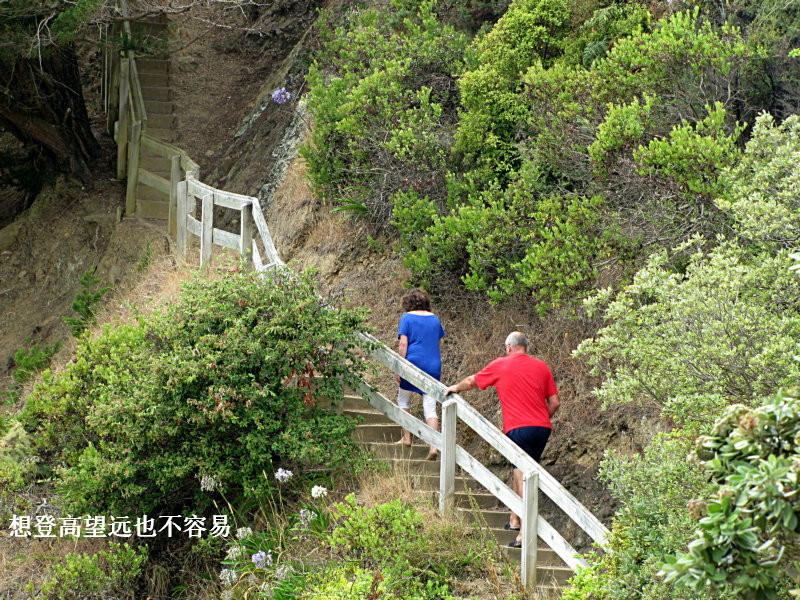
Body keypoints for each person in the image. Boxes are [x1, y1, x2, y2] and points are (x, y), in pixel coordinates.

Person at [445, 331, 559, 547]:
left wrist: (454, 388)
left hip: (518, 428)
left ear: (508, 348)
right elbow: (554, 402)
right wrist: (541, 418)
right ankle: (515, 518)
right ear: (526, 347)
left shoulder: (502, 364)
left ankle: (524, 533)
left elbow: (472, 381)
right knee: (522, 469)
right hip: (542, 428)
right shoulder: (541, 367)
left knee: (521, 473)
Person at [395, 288, 445, 460]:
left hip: (413, 363)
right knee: (430, 407)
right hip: (433, 365)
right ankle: (433, 446)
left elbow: (403, 344)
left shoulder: (407, 318)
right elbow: (437, 342)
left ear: (408, 303)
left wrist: (399, 367)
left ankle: (407, 438)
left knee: (403, 399)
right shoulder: (435, 319)